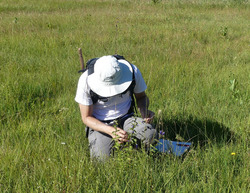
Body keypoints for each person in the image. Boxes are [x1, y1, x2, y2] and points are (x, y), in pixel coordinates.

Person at [75, 55, 156, 160]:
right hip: (101, 124)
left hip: (127, 117)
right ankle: (119, 143)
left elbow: (141, 97)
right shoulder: (85, 81)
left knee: (151, 136)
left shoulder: (133, 72)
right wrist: (110, 130)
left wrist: (144, 111)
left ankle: (131, 146)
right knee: (101, 160)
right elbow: (86, 117)